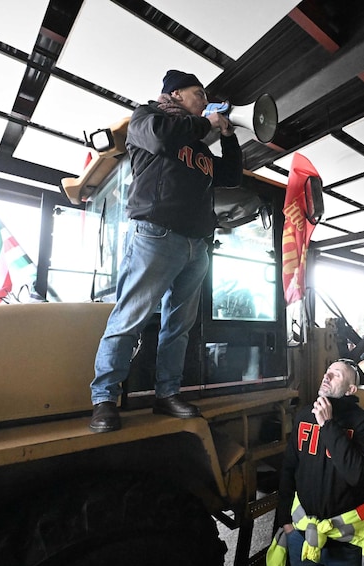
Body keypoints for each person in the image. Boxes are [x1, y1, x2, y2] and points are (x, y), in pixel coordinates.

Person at [89, 69, 242, 432]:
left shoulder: (199, 147)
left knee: (178, 327)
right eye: (198, 93)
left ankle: (166, 394)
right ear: (174, 95)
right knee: (130, 318)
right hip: (155, 235)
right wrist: (206, 124)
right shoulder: (147, 117)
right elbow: (160, 140)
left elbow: (231, 176)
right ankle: (105, 399)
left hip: (196, 245)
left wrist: (229, 138)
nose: (205, 100)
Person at [267, 360, 364, 566]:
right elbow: (289, 469)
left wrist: (328, 425)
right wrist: (285, 521)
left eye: (336, 374)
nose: (327, 376)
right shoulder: (304, 416)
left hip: (347, 542)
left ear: (350, 389)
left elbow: (357, 474)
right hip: (302, 534)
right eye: (327, 372)